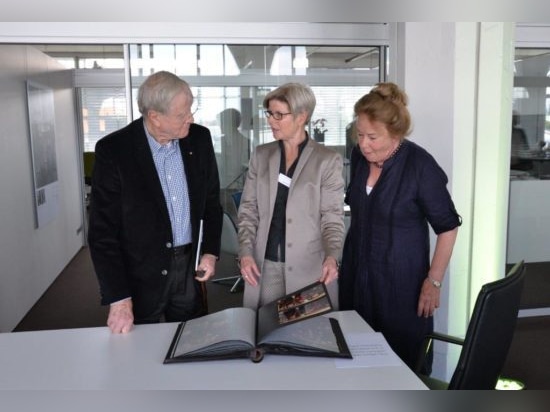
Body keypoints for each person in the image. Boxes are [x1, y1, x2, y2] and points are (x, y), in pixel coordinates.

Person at [339, 82, 461, 373]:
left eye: (372, 137)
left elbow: (447, 227)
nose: (364, 144)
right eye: (360, 135)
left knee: (402, 363)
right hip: (357, 276)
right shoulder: (359, 157)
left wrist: (434, 281)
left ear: (396, 134)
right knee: (356, 358)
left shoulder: (420, 165)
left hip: (401, 285)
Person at [88, 71, 223, 334]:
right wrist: (119, 298)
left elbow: (211, 202)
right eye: (182, 115)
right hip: (140, 271)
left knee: (190, 339)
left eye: (190, 111)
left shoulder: (199, 139)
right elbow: (102, 233)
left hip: (188, 268)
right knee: (137, 353)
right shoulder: (114, 151)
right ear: (155, 117)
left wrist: (209, 251)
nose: (190, 119)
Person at [237, 82, 345, 309]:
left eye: (279, 115)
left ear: (301, 116)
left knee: (306, 336)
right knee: (266, 335)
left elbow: (332, 218)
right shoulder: (261, 155)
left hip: (309, 268)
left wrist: (332, 256)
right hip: (265, 267)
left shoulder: (327, 160)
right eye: (269, 113)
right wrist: (246, 253)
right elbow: (248, 210)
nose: (271, 120)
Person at [218, 108, 250, 189]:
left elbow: (244, 167)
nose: (220, 125)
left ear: (229, 123)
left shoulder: (245, 142)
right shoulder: (220, 142)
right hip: (222, 185)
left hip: (237, 186)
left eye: (222, 122)